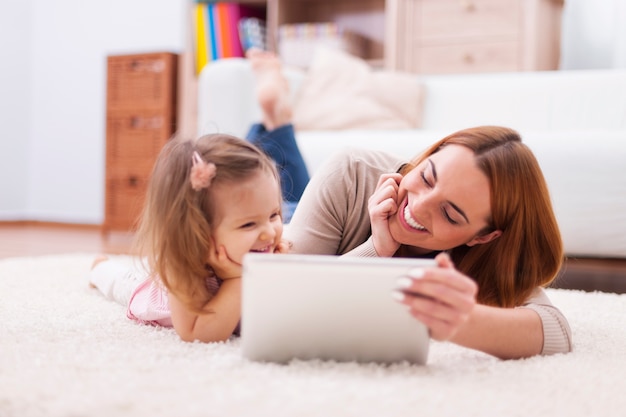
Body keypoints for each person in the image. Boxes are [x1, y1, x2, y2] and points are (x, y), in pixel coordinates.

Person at [244, 50, 572, 360]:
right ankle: (279, 120)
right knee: (263, 199)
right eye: (427, 177)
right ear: (428, 154)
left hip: (315, 213)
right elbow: (279, 297)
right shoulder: (353, 172)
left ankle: (279, 123)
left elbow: (556, 332)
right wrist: (377, 249)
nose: (418, 206)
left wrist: (461, 321)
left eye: (450, 213)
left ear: (482, 236)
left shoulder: (485, 256)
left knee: (293, 195)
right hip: (293, 216)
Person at [88, 133, 289, 343]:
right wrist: (237, 278)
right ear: (199, 231)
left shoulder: (260, 247)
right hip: (158, 294)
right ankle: (99, 268)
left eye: (274, 215)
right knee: (122, 282)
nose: (270, 232)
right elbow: (196, 334)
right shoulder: (184, 270)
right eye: (249, 224)